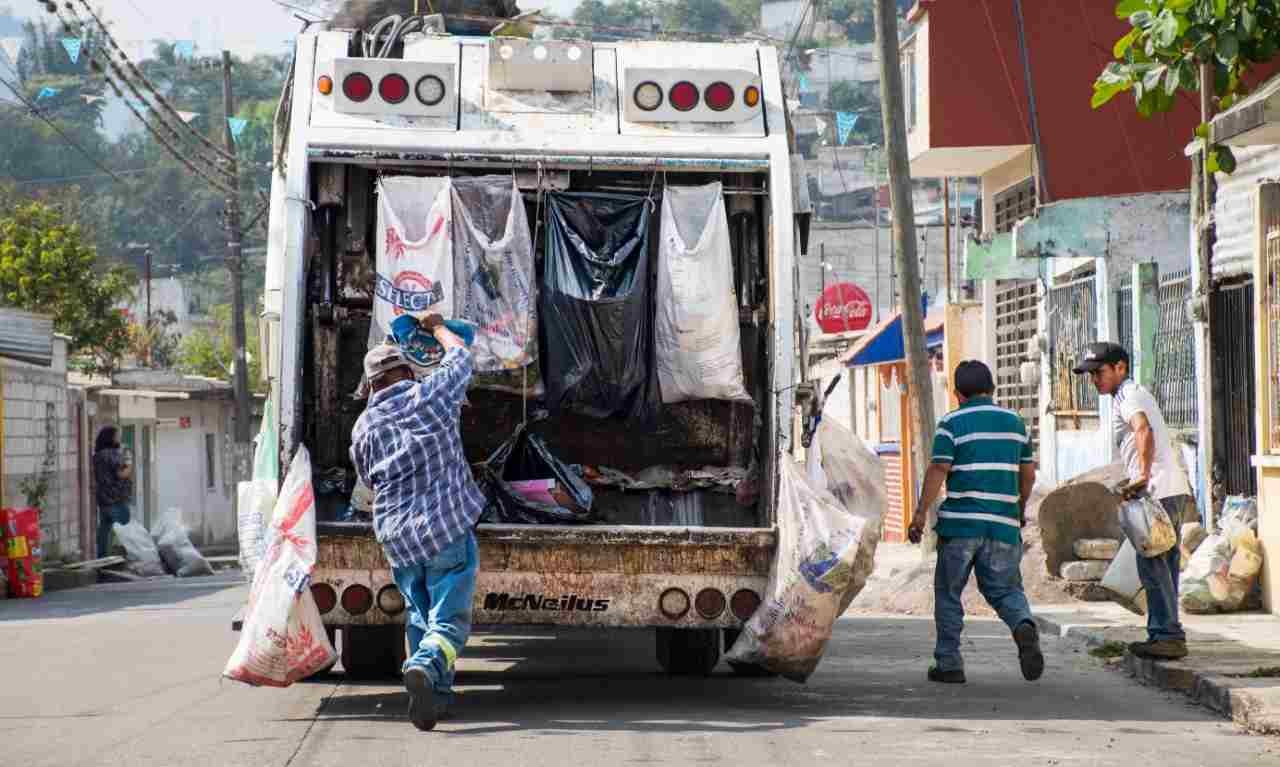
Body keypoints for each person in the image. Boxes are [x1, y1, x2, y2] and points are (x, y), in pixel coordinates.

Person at [349, 314, 484, 732]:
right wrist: (439, 327)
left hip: (397, 537)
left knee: (419, 616)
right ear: (408, 370)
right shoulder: (433, 394)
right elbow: (461, 356)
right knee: (448, 620)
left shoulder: (363, 426)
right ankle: (424, 664)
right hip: (444, 528)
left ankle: (434, 698)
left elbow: (368, 478)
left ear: (372, 386)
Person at [907, 360, 1043, 685]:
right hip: (1002, 525)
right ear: (992, 389)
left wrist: (919, 514)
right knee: (1005, 589)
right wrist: (1019, 508)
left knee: (949, 593)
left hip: (960, 527)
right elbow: (1027, 475)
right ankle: (1023, 623)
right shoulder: (1015, 423)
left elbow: (938, 470)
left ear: (957, 394)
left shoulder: (951, 423)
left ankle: (949, 663)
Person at [1074, 342, 1193, 660]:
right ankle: (1166, 633)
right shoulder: (1125, 395)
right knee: (1161, 567)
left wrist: (1141, 475)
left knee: (1153, 566)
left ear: (1120, 368)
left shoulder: (1129, 395)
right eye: (1091, 375)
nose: (1095, 380)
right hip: (1166, 488)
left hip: (1157, 491)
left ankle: (1167, 635)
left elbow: (1143, 429)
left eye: (1099, 372)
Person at [93, 426, 133, 557]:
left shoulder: (98, 455)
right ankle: (125, 556)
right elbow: (121, 474)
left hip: (103, 499)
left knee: (104, 530)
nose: (119, 438)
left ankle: (102, 558)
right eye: (117, 436)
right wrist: (129, 463)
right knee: (125, 530)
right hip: (117, 499)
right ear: (110, 438)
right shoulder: (113, 454)